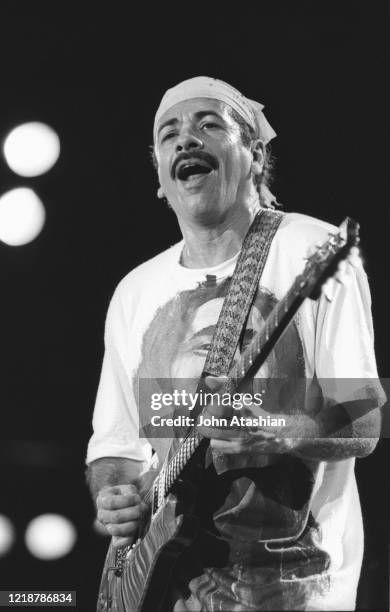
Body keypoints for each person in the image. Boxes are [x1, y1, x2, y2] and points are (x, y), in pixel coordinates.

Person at [86, 76, 385, 611]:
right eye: (169, 133)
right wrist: (116, 496)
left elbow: (363, 417)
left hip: (295, 588)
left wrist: (272, 432)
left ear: (255, 153)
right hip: (167, 589)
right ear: (158, 172)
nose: (187, 140)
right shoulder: (135, 292)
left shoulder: (308, 248)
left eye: (208, 124)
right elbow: (115, 447)